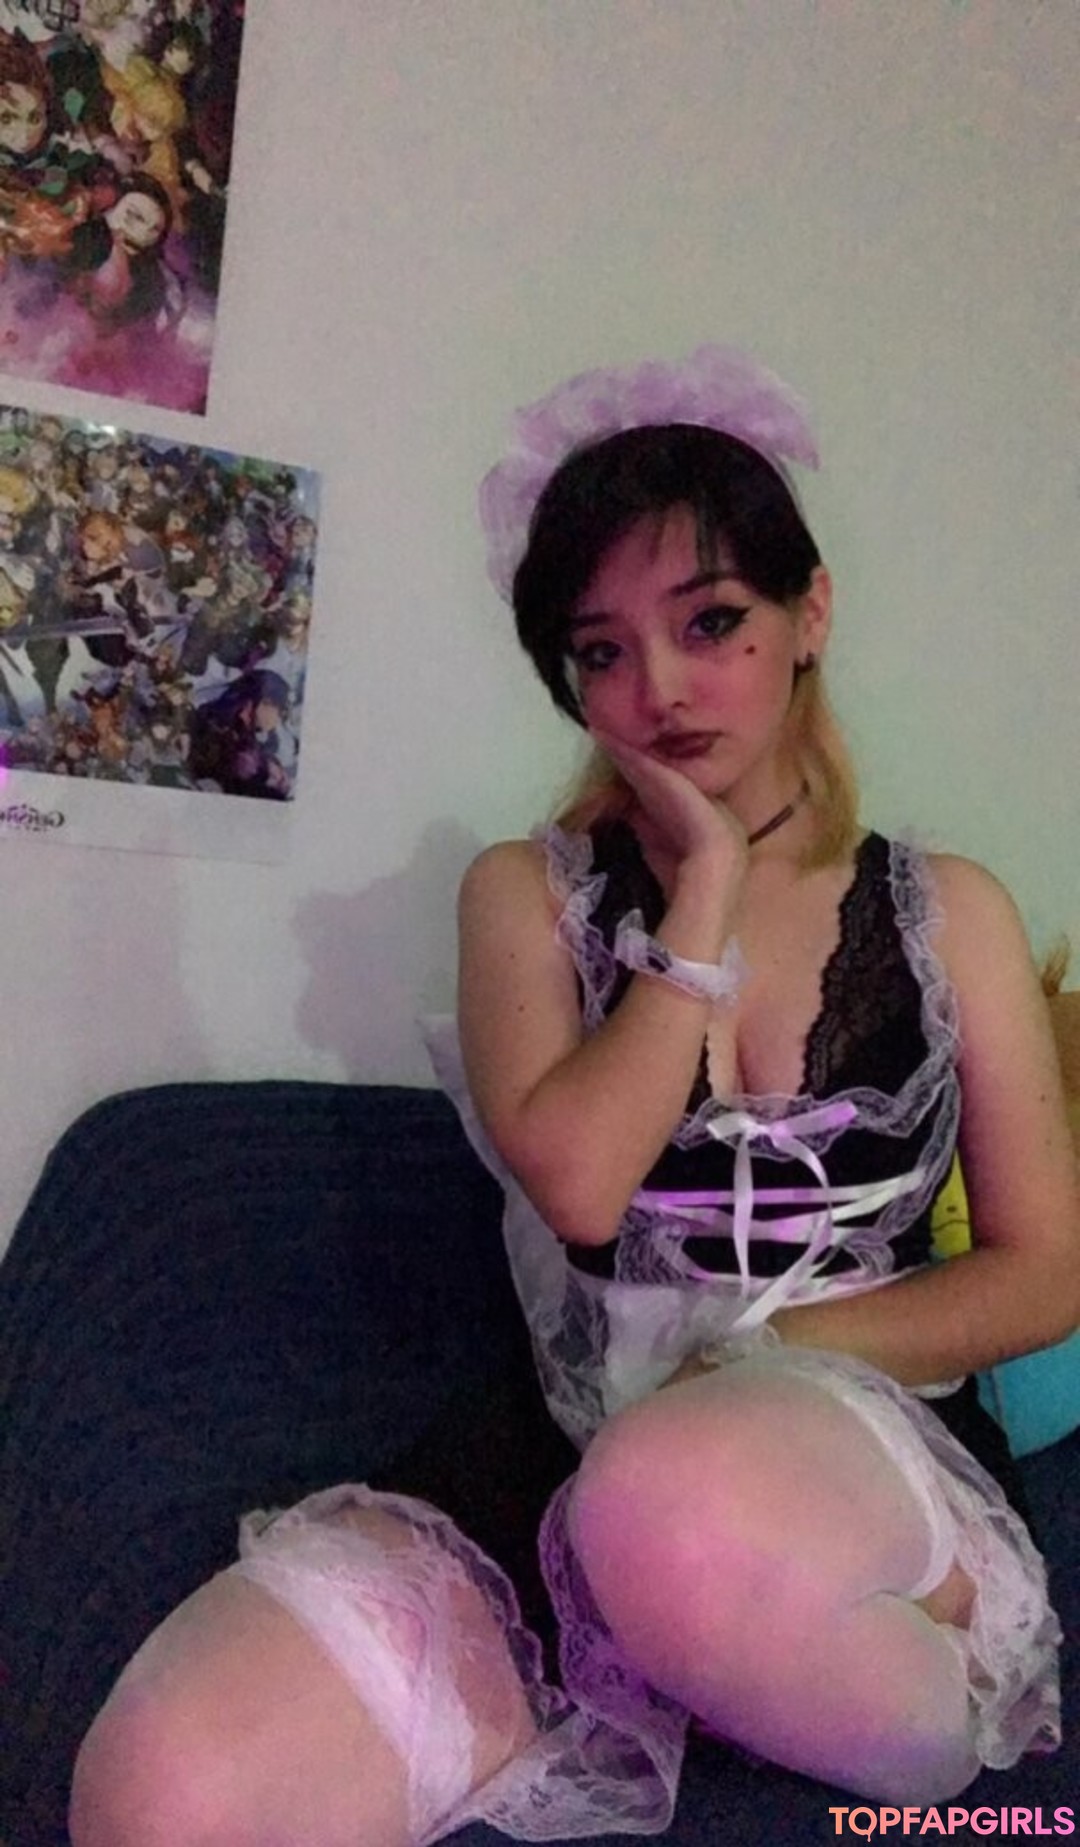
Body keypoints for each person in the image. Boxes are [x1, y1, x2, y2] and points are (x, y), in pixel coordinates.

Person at [68, 348, 1079, 1847]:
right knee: (164, 1791)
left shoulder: (953, 913)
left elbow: (1045, 1272)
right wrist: (702, 901)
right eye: (601, 653)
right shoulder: (525, 899)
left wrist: (776, 1351)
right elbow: (585, 1186)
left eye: (711, 622)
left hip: (859, 1443)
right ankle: (693, 1649)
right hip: (579, 1437)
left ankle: (911, 1734)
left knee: (670, 1502)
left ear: (810, 613)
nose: (658, 689)